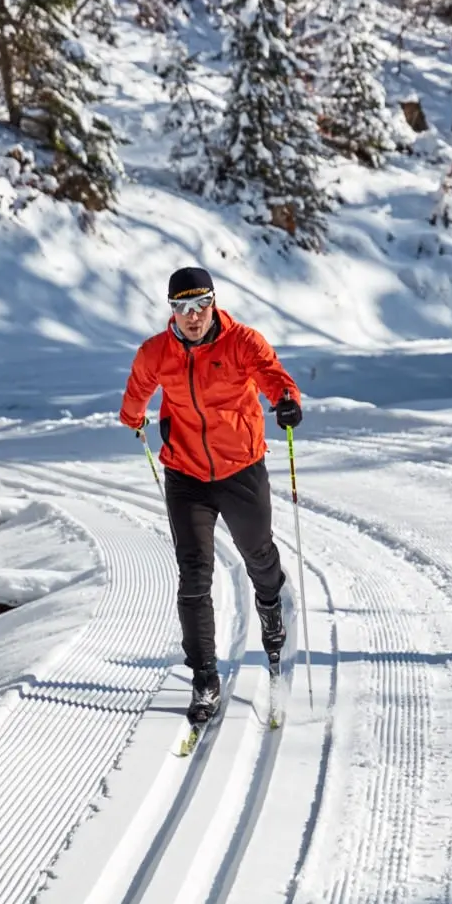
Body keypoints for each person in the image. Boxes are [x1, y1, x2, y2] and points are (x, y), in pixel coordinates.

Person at [120, 265, 303, 725]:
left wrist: (285, 400)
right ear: (171, 311)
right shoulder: (156, 352)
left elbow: (271, 374)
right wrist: (133, 416)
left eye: (202, 304)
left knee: (258, 553)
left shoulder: (243, 342)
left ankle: (271, 607)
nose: (194, 315)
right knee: (194, 574)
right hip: (186, 475)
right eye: (182, 307)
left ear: (214, 302)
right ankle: (205, 677)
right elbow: (138, 386)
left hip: (241, 468)